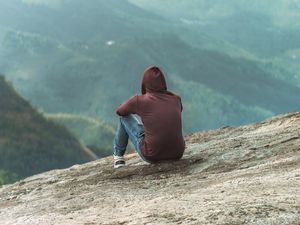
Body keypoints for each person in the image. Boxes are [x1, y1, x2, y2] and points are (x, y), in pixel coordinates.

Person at [113, 65, 185, 168]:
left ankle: (118, 157)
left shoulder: (140, 100)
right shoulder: (176, 99)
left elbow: (120, 112)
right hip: (177, 153)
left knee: (124, 119)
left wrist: (132, 105)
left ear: (145, 83)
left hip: (152, 155)